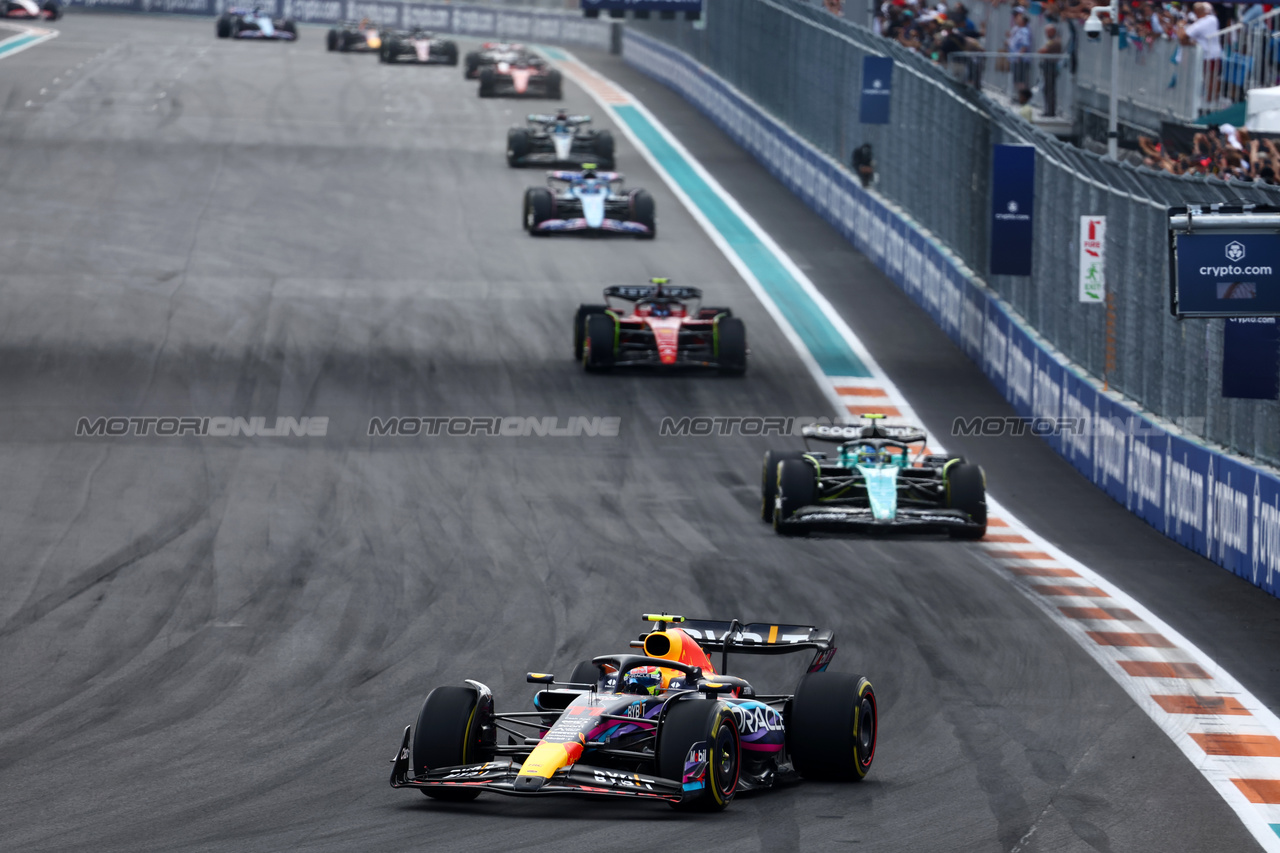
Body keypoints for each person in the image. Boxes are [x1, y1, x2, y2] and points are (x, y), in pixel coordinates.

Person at [1179, 3, 1222, 108]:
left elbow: (1183, 36)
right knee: (1210, 77)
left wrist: (1180, 26)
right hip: (1211, 54)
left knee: (1211, 78)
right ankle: (1211, 101)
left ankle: (1211, 101)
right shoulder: (1210, 20)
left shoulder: (1208, 20)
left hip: (1210, 55)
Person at [1039, 24, 1063, 117]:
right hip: (1047, 67)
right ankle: (1048, 110)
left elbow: (1043, 51)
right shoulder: (1051, 41)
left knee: (1049, 90)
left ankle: (1050, 111)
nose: (1046, 34)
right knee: (1046, 90)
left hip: (1051, 68)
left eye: (1048, 32)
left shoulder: (1055, 42)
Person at [1007, 12, 1033, 90]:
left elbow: (1025, 45)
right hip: (1015, 59)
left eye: (1019, 19)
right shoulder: (1018, 30)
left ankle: (1022, 97)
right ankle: (1017, 96)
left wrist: (1019, 55)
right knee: (1016, 79)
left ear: (1023, 21)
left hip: (1020, 60)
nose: (1017, 20)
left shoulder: (1024, 31)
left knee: (1020, 80)